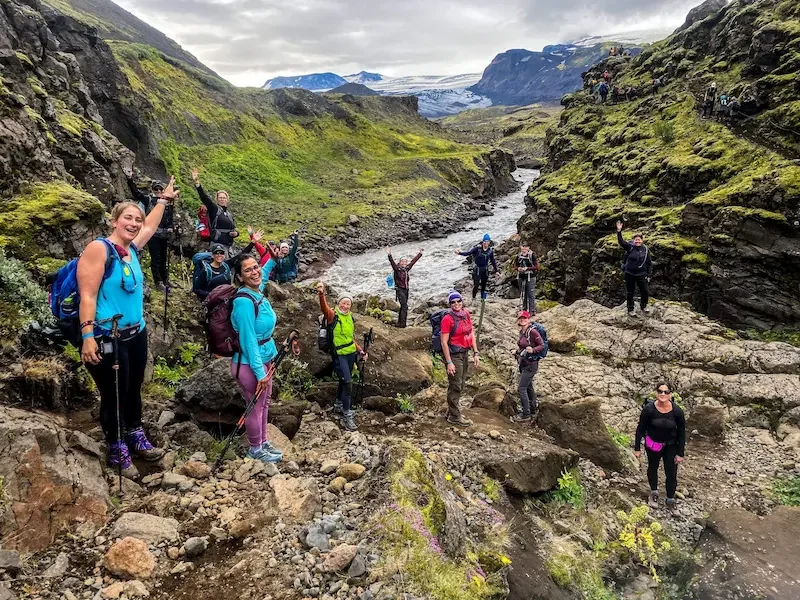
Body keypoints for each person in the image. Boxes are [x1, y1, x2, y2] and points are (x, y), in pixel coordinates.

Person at [78, 178, 177, 479]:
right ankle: (116, 445)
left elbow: (149, 228)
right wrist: (87, 337)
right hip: (109, 335)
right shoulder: (99, 249)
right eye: (128, 218)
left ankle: (135, 433)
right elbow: (88, 295)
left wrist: (162, 202)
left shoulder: (131, 249)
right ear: (114, 220)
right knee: (114, 392)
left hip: (136, 332)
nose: (134, 224)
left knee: (133, 386)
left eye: (137, 219)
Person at [229, 253, 283, 463]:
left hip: (264, 359)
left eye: (256, 267)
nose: (255, 272)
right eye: (248, 270)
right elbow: (248, 340)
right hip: (250, 364)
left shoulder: (255, 291)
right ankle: (255, 449)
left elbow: (264, 275)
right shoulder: (243, 302)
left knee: (264, 402)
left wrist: (273, 260)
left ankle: (263, 442)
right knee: (255, 405)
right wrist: (260, 372)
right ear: (240, 277)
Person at [316, 282, 368, 431]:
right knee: (347, 383)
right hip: (339, 355)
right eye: (343, 303)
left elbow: (350, 338)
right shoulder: (333, 315)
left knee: (343, 380)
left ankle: (339, 405)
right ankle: (347, 416)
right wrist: (321, 294)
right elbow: (324, 308)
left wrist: (360, 351)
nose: (346, 306)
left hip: (351, 353)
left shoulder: (350, 317)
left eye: (348, 304)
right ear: (338, 303)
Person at [634, 383, 686, 513]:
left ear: (670, 394)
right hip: (653, 444)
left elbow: (682, 433)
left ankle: (670, 499)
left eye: (666, 392)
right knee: (653, 467)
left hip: (671, 445)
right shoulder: (649, 409)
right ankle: (654, 492)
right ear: (656, 393)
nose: (663, 394)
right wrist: (637, 448)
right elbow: (640, 429)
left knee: (671, 472)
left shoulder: (677, 412)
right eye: (660, 391)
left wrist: (681, 453)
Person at [125, 170, 173, 291]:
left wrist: (171, 227)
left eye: (160, 190)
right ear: (152, 190)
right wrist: (130, 180)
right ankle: (158, 281)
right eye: (156, 189)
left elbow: (169, 217)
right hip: (152, 235)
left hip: (164, 235)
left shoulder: (168, 203)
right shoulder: (148, 200)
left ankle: (165, 279)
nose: (158, 192)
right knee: (156, 258)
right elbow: (136, 193)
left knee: (163, 258)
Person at [439, 291, 479, 427]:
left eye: (458, 301)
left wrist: (476, 352)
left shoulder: (466, 314)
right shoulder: (447, 319)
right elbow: (444, 342)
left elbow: (471, 333)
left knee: (461, 384)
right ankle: (455, 416)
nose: (456, 304)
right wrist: (449, 362)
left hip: (465, 352)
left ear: (462, 302)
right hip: (454, 354)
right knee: (455, 384)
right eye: (453, 302)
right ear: (450, 304)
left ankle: (451, 411)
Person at [191, 168, 238, 256]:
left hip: (228, 245)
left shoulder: (229, 215)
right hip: (217, 245)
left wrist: (236, 233)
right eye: (220, 197)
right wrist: (197, 183)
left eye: (224, 198)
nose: (222, 199)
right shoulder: (214, 209)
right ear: (216, 200)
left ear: (227, 200)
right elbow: (205, 198)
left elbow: (234, 229)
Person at [513, 311, 545, 423]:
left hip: (531, 364)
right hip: (523, 363)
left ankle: (525, 414)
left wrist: (533, 350)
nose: (522, 320)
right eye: (520, 318)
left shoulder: (533, 332)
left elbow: (542, 345)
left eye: (524, 318)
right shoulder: (522, 331)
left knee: (521, 388)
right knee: (528, 386)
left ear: (528, 319)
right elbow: (523, 345)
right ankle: (532, 408)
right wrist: (517, 351)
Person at [616, 220, 652, 316]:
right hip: (630, 274)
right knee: (630, 292)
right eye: (636, 239)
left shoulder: (646, 250)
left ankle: (644, 306)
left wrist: (649, 275)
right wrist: (619, 231)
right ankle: (630, 309)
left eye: (639, 239)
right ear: (634, 240)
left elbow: (649, 263)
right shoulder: (630, 247)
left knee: (645, 291)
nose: (637, 241)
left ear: (642, 240)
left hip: (642, 274)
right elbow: (621, 242)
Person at [386, 247, 423, 328]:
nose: (404, 262)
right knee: (405, 306)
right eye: (402, 261)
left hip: (406, 290)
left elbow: (413, 261)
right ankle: (403, 324)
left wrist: (420, 254)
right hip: (399, 289)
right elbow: (391, 262)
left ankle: (399, 323)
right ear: (400, 262)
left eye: (405, 261)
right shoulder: (397, 269)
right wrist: (389, 254)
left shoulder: (406, 269)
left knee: (403, 306)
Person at [455, 234, 498, 300]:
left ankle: (482, 299)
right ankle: (474, 298)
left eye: (487, 241)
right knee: (476, 285)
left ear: (489, 242)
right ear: (482, 242)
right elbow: (468, 253)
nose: (486, 243)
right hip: (477, 269)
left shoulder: (490, 251)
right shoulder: (477, 249)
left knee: (483, 285)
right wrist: (459, 253)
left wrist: (496, 271)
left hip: (485, 270)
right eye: (485, 241)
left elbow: (493, 261)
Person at [516, 241, 538, 313]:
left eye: (525, 248)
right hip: (521, 276)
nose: (524, 250)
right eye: (522, 248)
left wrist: (527, 268)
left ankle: (532, 310)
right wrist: (518, 268)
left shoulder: (532, 255)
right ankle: (524, 309)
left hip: (531, 276)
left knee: (530, 294)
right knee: (523, 293)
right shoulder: (519, 256)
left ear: (528, 248)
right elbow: (515, 265)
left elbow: (536, 266)